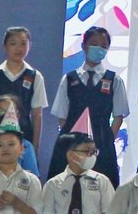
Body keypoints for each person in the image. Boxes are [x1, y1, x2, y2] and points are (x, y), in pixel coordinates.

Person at [47, 26, 127, 186]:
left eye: (103, 46)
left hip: (102, 143)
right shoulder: (69, 79)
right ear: (84, 46)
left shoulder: (114, 80)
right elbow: (62, 117)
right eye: (94, 44)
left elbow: (118, 117)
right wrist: (71, 141)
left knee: (103, 187)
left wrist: (106, 140)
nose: (99, 49)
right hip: (71, 143)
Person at [0, 26, 47, 147]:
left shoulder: (35, 76)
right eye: (13, 43)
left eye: (23, 44)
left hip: (23, 137)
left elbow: (37, 114)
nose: (18, 48)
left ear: (30, 46)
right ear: (5, 46)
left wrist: (35, 147)